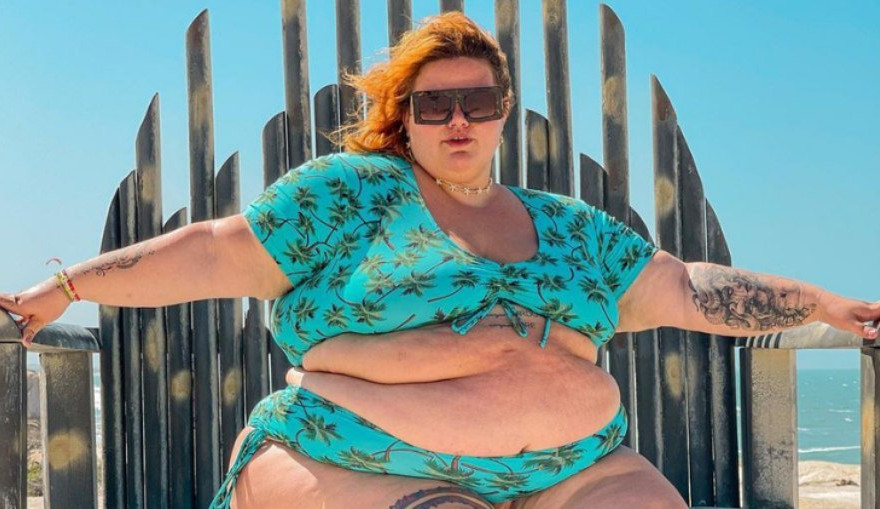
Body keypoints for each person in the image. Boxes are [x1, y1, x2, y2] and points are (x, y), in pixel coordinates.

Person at [2, 11, 878, 509]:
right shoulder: (347, 196)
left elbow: (689, 287)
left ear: (503, 111)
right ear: (405, 116)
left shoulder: (573, 227)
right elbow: (208, 252)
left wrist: (828, 305)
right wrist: (64, 287)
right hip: (360, 464)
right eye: (434, 104)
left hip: (571, 471)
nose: (457, 120)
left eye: (477, 101)